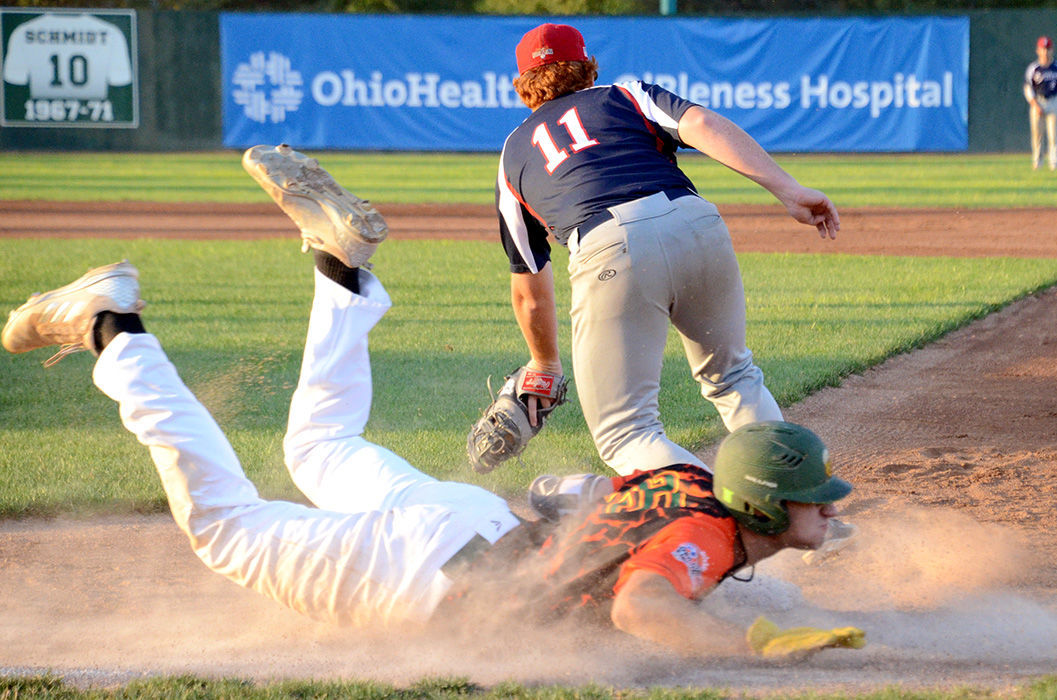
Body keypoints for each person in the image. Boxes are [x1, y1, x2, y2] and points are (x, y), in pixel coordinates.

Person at [2, 146, 861, 658]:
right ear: (761, 506)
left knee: (318, 450)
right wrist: (757, 642)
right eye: (813, 503)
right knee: (223, 525)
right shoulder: (706, 535)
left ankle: (342, 278)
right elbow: (644, 604)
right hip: (431, 574)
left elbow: (566, 492)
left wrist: (774, 575)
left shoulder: (682, 484)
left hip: (471, 527)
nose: (827, 511)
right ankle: (113, 325)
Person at [1024, 35, 1057, 171]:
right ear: (1038, 50)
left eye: (1048, 48)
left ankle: (1054, 163)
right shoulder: (1034, 68)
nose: (1045, 52)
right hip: (1038, 101)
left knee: (1053, 134)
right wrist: (1034, 104)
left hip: (1053, 101)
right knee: (1037, 135)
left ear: (1052, 50)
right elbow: (1027, 88)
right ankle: (1037, 162)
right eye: (1043, 49)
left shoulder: (1055, 67)